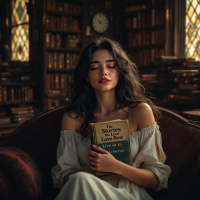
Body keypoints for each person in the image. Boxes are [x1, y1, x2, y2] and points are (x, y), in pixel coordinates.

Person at [51, 37, 171, 200]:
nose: (103, 72)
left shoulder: (140, 112)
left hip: (128, 194)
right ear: (86, 75)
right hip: (86, 191)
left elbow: (156, 179)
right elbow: (65, 175)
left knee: (80, 180)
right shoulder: (73, 118)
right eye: (95, 67)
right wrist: (92, 178)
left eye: (111, 66)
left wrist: (116, 167)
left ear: (120, 72)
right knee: (80, 180)